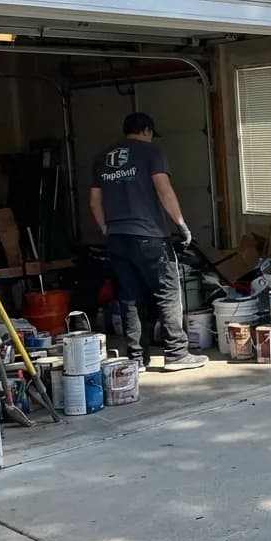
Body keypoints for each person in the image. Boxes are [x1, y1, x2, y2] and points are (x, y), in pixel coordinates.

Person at [89, 112, 207, 373]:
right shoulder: (151, 153)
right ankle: (176, 353)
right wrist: (181, 224)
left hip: (118, 238)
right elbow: (164, 189)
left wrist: (106, 229)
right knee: (167, 292)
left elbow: (94, 202)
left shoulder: (102, 159)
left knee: (130, 297)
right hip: (149, 236)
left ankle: (136, 358)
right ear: (146, 130)